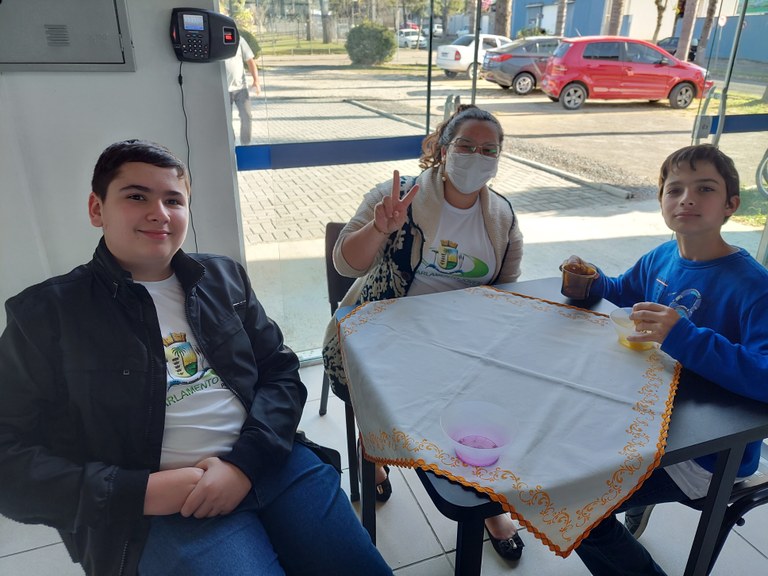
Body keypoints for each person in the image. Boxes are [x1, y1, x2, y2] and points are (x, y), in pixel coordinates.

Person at [0, 140, 392, 576]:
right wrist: (140, 493)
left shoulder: (222, 277)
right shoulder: (46, 316)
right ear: (97, 209)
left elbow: (280, 370)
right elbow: (9, 459)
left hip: (268, 461)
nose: (159, 213)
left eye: (173, 200)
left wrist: (244, 465)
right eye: (136, 196)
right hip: (168, 505)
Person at [322, 104, 527, 560]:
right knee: (384, 396)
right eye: (466, 146)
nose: (477, 156)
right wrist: (379, 228)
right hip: (382, 329)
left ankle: (486, 501)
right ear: (443, 149)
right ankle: (372, 446)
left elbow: (506, 289)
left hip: (458, 338)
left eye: (489, 150)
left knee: (489, 404)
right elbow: (345, 263)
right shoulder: (399, 195)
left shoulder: (502, 216)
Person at [565, 144, 768, 575]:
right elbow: (621, 292)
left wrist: (684, 337)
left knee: (576, 509)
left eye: (705, 189)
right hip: (650, 417)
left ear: (731, 205)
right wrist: (591, 281)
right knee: (565, 440)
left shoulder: (755, 288)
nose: (686, 199)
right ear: (661, 202)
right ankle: (629, 500)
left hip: (708, 455)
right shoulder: (662, 256)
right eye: (674, 190)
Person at [225, 37, 260, 145]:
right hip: (223, 90)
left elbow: (250, 61)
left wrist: (256, 81)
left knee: (247, 116)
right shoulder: (214, 39)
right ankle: (231, 146)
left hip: (241, 88)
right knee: (226, 121)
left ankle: (246, 145)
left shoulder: (239, 39)